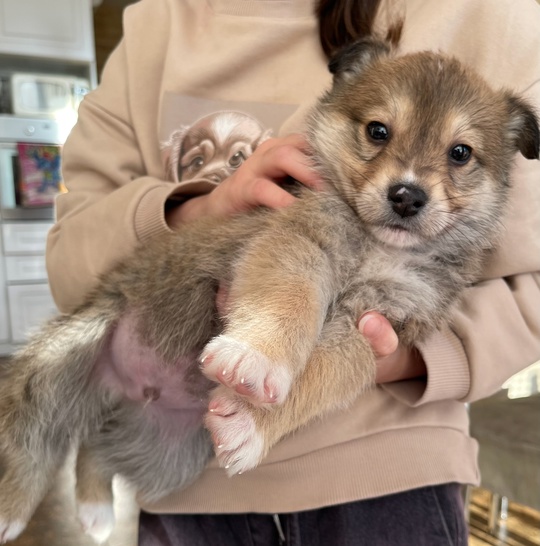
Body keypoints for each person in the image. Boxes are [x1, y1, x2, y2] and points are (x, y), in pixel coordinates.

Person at [45, 0, 540, 544]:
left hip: (391, 484)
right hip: (180, 478)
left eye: (460, 153)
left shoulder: (488, 13)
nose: (409, 184)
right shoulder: (154, 25)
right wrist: (199, 210)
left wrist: (410, 355)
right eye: (377, 133)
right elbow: (71, 255)